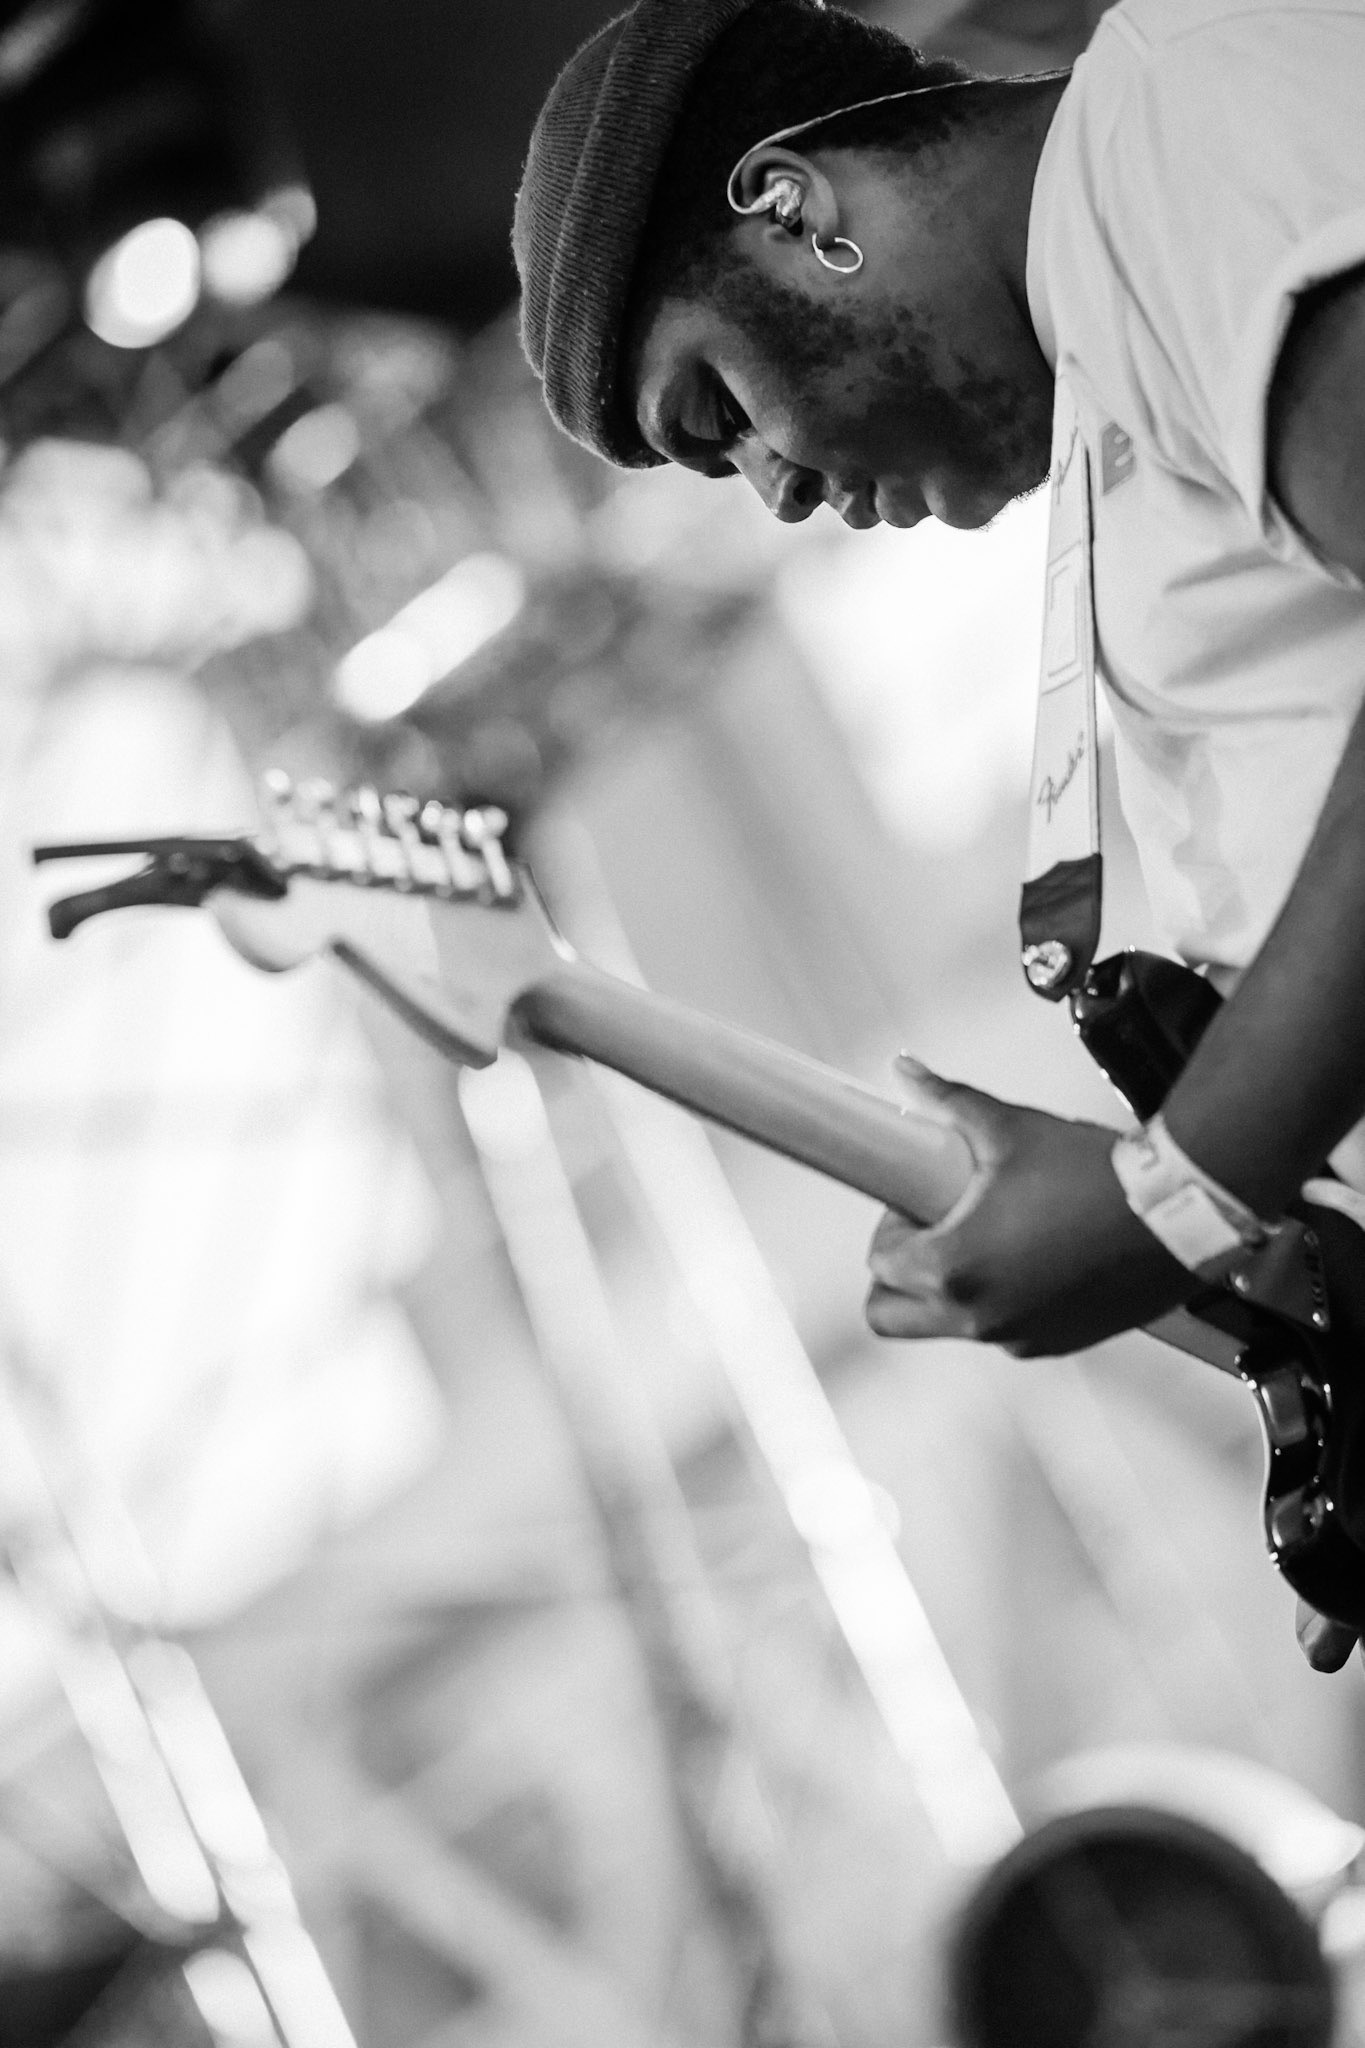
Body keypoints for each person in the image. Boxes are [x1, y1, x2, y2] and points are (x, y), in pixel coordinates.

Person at [512, 0, 1365, 1670]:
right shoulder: (1126, 368)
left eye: (720, 408)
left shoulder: (1161, 145)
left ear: (792, 202)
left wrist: (1174, 1195)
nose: (771, 488)